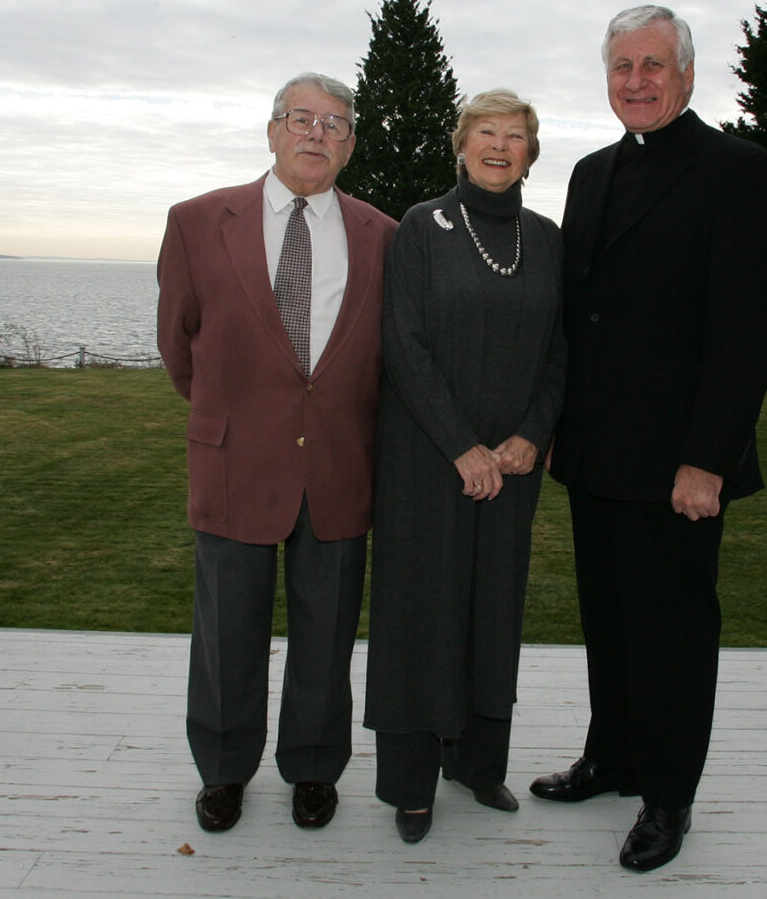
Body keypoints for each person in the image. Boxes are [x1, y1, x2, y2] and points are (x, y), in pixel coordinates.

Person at [530, 6, 767, 872]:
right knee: (608, 619)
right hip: (597, 452)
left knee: (672, 630)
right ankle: (614, 757)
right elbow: (578, 314)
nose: (635, 80)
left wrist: (708, 457)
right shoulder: (590, 172)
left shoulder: (736, 172)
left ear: (685, 74)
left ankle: (668, 795)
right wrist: (563, 429)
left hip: (681, 460)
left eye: (652, 64)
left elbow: (746, 331)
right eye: (621, 67)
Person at [156, 72, 397, 833]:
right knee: (227, 632)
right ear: (272, 130)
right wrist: (237, 416)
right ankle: (224, 770)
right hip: (235, 460)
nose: (316, 133)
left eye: (334, 123)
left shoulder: (384, 236)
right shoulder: (197, 222)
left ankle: (314, 768)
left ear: (351, 144)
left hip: (339, 465)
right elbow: (178, 345)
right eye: (302, 118)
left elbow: (388, 355)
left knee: (327, 635)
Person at [363, 89, 566, 845]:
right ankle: (412, 785)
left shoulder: (547, 240)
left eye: (516, 135)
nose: (500, 145)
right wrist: (461, 445)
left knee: (491, 613)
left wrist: (530, 436)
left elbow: (559, 353)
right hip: (427, 461)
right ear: (461, 142)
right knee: (422, 617)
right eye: (487, 131)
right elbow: (403, 343)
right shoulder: (422, 227)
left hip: (512, 471)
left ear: (530, 154)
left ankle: (479, 765)